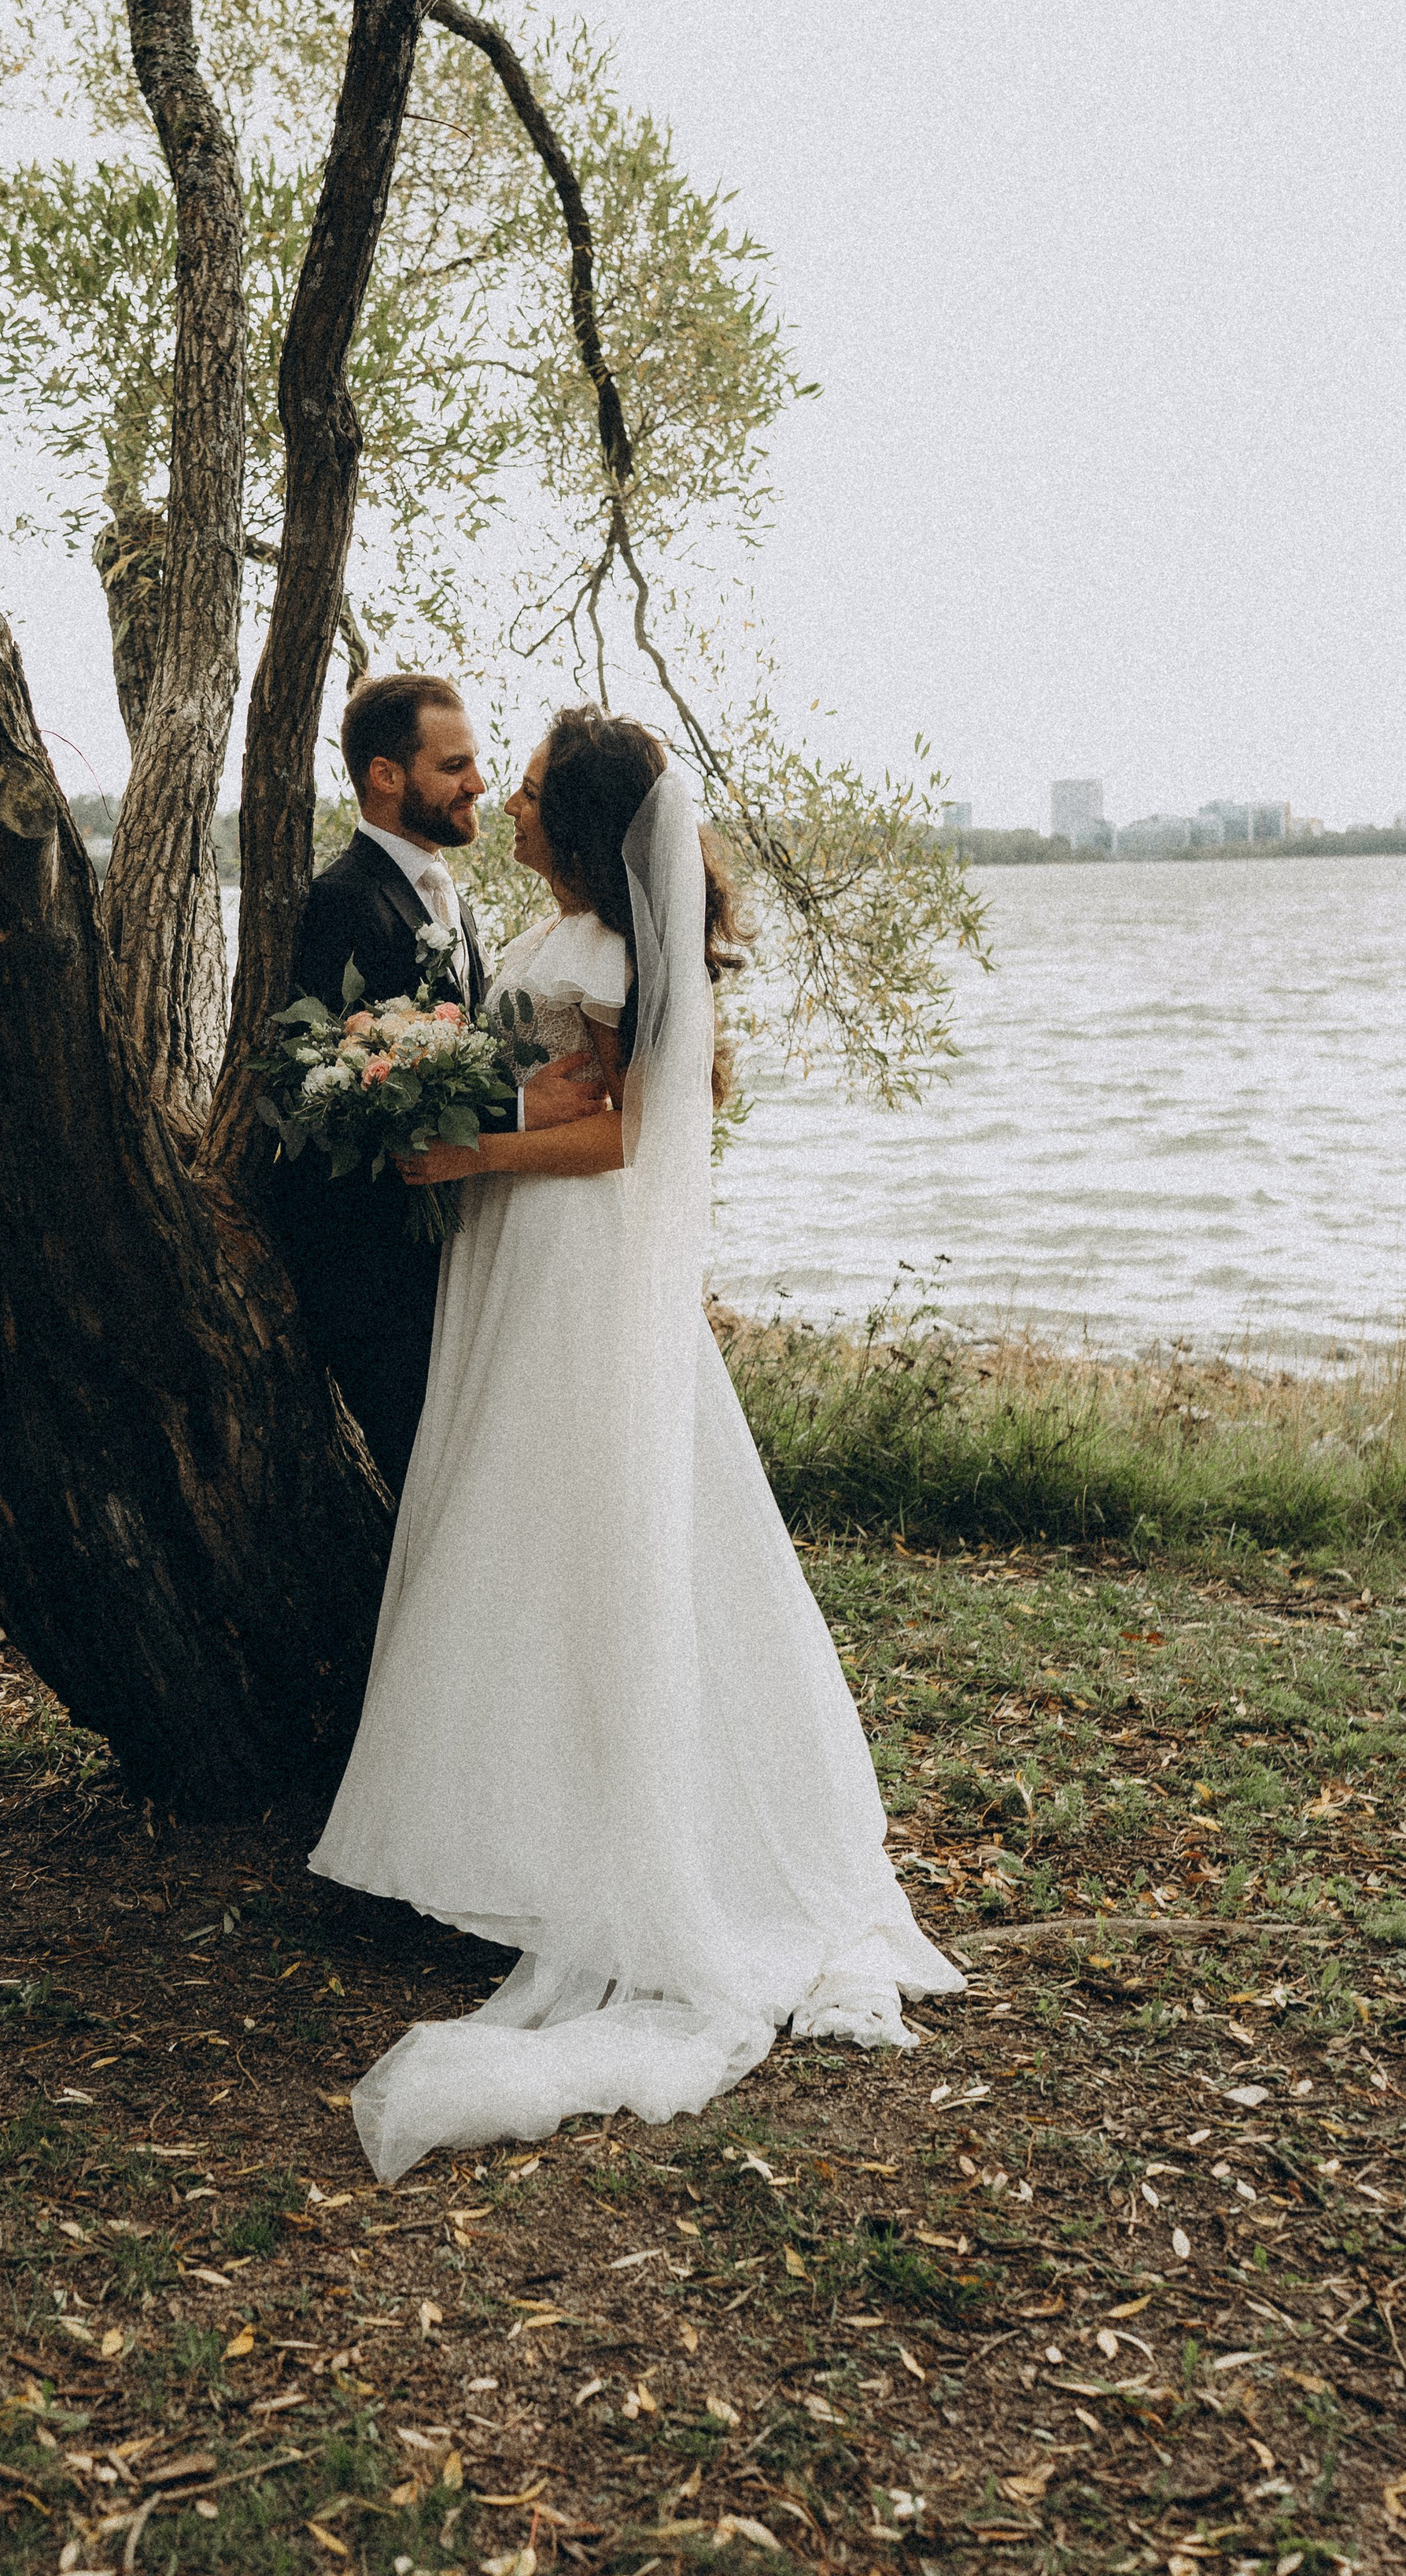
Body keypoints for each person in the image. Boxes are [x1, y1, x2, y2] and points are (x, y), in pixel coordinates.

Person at [309, 706, 965, 2182]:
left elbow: (616, 1137)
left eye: (533, 790)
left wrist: (461, 1147)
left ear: (592, 827)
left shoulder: (606, 954)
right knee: (511, 1517)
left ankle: (583, 1843)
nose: (514, 806)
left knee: (564, 1512)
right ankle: (497, 1835)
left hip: (569, 1252)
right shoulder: (555, 938)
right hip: (520, 1253)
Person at [271, 672, 603, 1496]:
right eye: (453, 766)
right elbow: (335, 1089)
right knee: (437, 1481)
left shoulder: (442, 893)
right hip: (375, 1266)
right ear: (386, 776)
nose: (479, 784)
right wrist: (523, 1111)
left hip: (447, 1246)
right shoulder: (341, 901)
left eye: (478, 763)